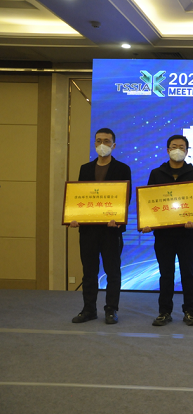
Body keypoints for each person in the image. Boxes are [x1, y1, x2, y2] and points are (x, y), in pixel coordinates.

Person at [70, 128, 131, 324]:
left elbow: (125, 198)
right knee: (89, 271)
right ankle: (89, 309)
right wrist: (75, 217)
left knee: (113, 271)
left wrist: (118, 218)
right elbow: (79, 196)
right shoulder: (85, 169)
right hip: (88, 229)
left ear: (114, 145)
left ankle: (111, 309)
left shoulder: (122, 168)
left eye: (106, 141)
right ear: (94, 143)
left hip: (111, 229)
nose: (102, 144)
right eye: (98, 141)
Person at [141, 135, 193, 327]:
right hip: (163, 234)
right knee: (166, 274)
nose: (177, 150)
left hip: (186, 233)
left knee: (188, 273)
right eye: (174, 146)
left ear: (187, 151)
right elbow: (149, 202)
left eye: (181, 147)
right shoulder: (156, 173)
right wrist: (148, 222)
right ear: (167, 150)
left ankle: (189, 311)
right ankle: (164, 311)